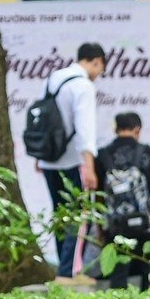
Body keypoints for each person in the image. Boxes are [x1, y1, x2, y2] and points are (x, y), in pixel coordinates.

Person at [36, 42, 105, 278]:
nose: (98, 75)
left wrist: (40, 155)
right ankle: (69, 273)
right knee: (78, 217)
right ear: (96, 61)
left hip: (49, 160)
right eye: (100, 69)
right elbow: (85, 130)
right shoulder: (83, 85)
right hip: (73, 162)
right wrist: (90, 167)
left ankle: (62, 270)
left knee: (60, 216)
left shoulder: (54, 78)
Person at [93, 111, 150, 290]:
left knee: (118, 269)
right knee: (149, 268)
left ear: (115, 129)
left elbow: (97, 194)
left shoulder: (102, 155)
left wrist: (101, 226)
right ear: (137, 129)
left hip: (116, 224)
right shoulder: (148, 152)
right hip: (145, 222)